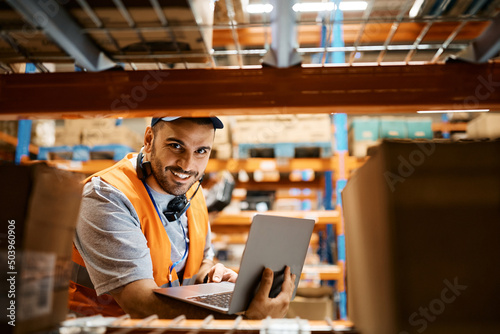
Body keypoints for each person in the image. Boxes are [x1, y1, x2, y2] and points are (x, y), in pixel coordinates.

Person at [69, 116, 296, 319]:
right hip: (103, 327)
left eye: (201, 151)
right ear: (149, 140)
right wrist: (241, 316)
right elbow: (138, 303)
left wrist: (210, 275)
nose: (187, 165)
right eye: (176, 146)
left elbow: (200, 263)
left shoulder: (190, 190)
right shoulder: (106, 196)